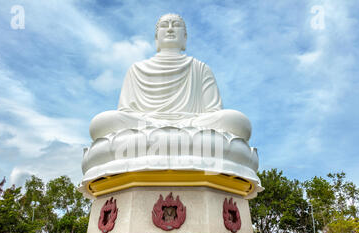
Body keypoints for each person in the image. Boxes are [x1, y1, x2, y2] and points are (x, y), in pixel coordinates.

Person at [89, 13, 252, 142]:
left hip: (192, 125)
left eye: (176, 25)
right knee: (103, 121)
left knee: (236, 121)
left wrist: (187, 123)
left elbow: (213, 111)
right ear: (156, 38)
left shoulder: (200, 68)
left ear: (185, 38)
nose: (170, 29)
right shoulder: (136, 69)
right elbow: (126, 111)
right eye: (164, 26)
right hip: (146, 124)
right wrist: (150, 122)